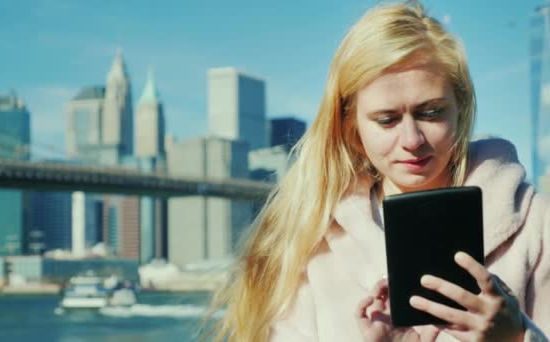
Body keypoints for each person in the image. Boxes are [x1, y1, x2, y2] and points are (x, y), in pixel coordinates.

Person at [207, 1, 550, 341]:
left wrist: (516, 338)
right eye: (387, 120)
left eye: (431, 113)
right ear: (351, 129)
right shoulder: (310, 243)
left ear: (460, 110)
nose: (412, 139)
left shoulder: (535, 224)